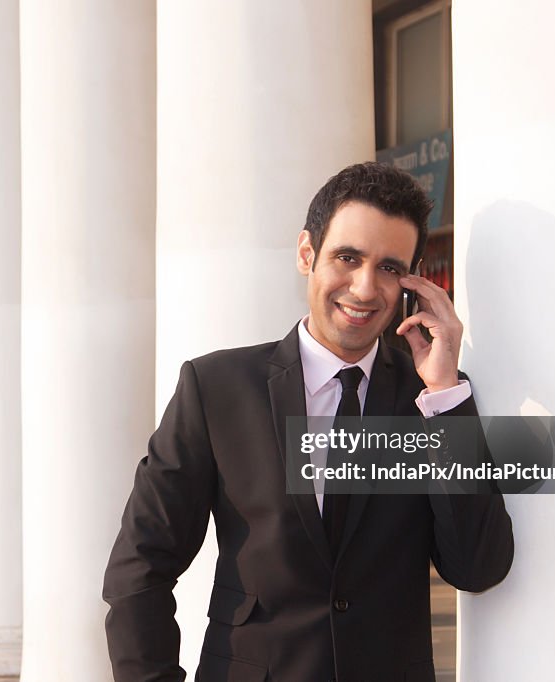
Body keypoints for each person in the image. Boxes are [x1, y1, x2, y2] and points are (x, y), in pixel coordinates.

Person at [102, 162, 514, 681]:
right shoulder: (216, 388)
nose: (365, 289)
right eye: (347, 257)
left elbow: (477, 567)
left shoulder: (432, 399)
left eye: (389, 268)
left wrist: (444, 395)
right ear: (306, 254)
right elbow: (140, 566)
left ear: (412, 281)